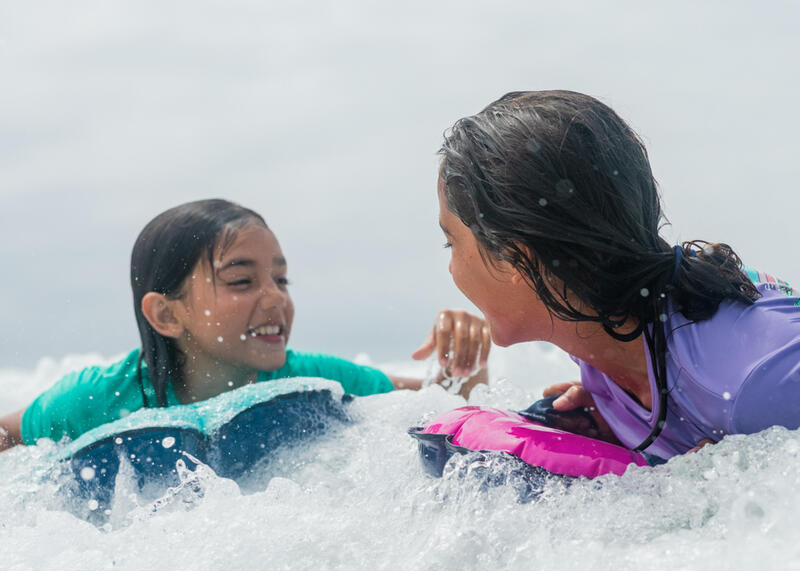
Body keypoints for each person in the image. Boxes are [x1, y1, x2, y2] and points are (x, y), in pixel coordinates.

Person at [437, 90, 800, 459]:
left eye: (450, 242)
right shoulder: (600, 320)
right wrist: (632, 419)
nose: (451, 268)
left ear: (513, 255)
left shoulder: (755, 380)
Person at [0, 199, 489, 451]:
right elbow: (8, 437)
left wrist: (464, 360)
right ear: (166, 314)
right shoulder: (98, 398)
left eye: (281, 278)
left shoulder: (314, 381)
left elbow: (444, 402)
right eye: (241, 280)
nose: (276, 297)